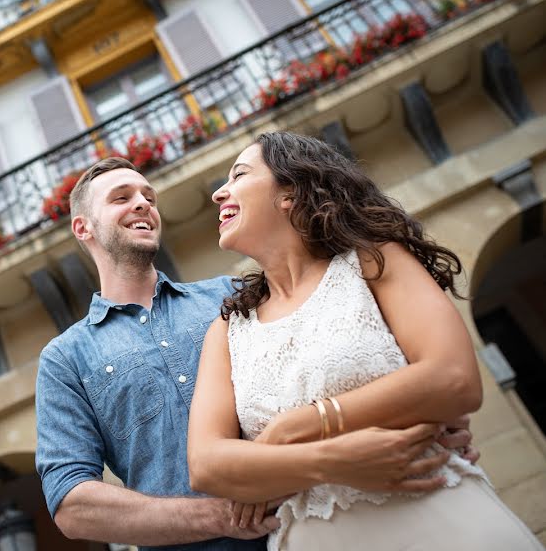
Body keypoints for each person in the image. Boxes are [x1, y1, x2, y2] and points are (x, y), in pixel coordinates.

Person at [35, 155, 479, 550]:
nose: (143, 203)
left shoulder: (236, 299)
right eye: (121, 197)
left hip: (319, 526)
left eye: (148, 196)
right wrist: (222, 515)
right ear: (83, 227)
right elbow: (73, 504)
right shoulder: (66, 357)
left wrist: (428, 421)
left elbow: (347, 356)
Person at [187, 132, 543, 550]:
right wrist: (331, 461)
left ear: (290, 193)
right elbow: (208, 466)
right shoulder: (228, 332)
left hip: (441, 520)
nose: (218, 194)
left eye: (239, 175)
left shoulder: (374, 261)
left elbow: (453, 379)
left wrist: (288, 432)